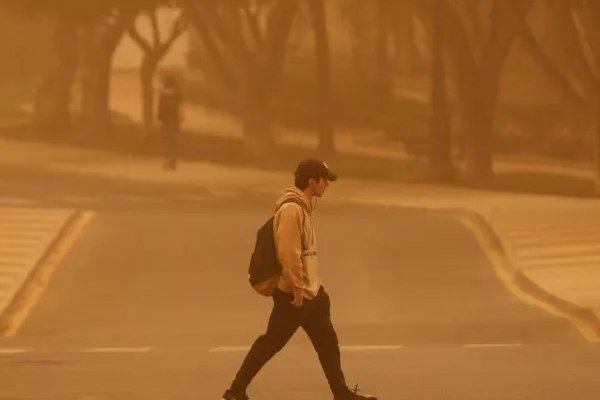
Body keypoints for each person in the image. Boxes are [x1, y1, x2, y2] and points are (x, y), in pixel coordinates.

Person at [221, 158, 377, 400]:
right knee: (271, 342)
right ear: (312, 181)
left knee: (327, 342)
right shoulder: (292, 210)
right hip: (295, 295)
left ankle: (341, 392)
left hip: (311, 294)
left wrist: (315, 287)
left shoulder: (303, 207)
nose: (327, 185)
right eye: (325, 180)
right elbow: (289, 252)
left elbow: (305, 254)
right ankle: (235, 390)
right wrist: (296, 286)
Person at [157, 75, 182, 170]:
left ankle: (167, 160)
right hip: (175, 121)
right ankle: (173, 160)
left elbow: (160, 111)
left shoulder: (163, 97)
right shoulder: (178, 96)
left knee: (166, 141)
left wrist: (160, 118)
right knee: (174, 141)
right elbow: (180, 109)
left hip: (165, 122)